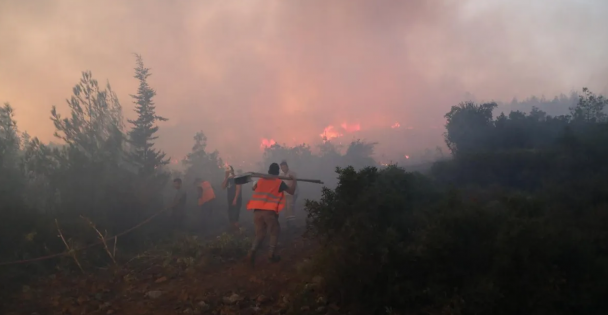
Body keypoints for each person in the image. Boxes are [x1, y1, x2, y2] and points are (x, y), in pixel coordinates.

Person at [245, 163, 296, 266]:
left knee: (260, 234)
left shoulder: (261, 180)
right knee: (274, 231)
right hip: (268, 211)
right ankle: (271, 255)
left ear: (268, 171)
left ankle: (252, 252)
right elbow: (291, 191)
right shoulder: (278, 182)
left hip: (257, 211)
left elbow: (253, 188)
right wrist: (293, 181)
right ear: (277, 172)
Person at [221, 165, 242, 232]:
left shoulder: (237, 178)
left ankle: (238, 231)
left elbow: (238, 189)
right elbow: (223, 187)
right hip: (230, 199)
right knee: (230, 216)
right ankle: (233, 231)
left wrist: (235, 199)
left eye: (228, 171)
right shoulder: (228, 179)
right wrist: (226, 177)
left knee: (235, 216)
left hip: (236, 199)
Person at [280, 161, 299, 231]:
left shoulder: (292, 174)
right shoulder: (281, 175)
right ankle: (288, 223)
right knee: (286, 209)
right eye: (282, 167)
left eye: (284, 167)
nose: (283, 168)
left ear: (287, 166)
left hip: (291, 193)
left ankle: (292, 225)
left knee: (290, 208)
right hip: (285, 194)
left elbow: (292, 184)